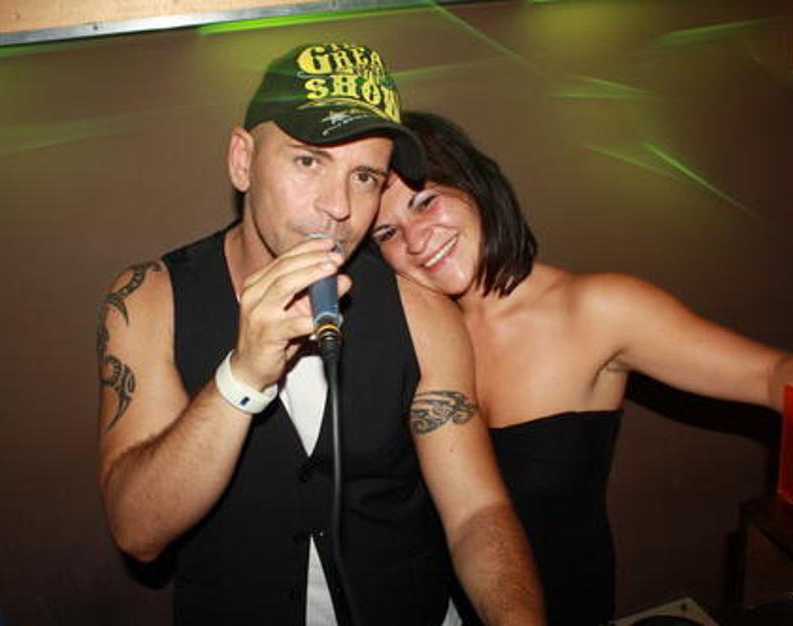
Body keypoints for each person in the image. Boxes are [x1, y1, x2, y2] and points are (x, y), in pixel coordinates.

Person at [95, 45, 544, 625]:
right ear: (242, 160)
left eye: (365, 176)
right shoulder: (150, 300)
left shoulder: (420, 311)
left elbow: (476, 513)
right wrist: (240, 378)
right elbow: (137, 532)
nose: (338, 207)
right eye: (309, 161)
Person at [372, 111, 793, 626]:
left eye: (425, 201)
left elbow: (774, 373)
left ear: (474, 186)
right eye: (387, 232)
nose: (417, 239)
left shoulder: (597, 310)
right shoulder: (403, 336)